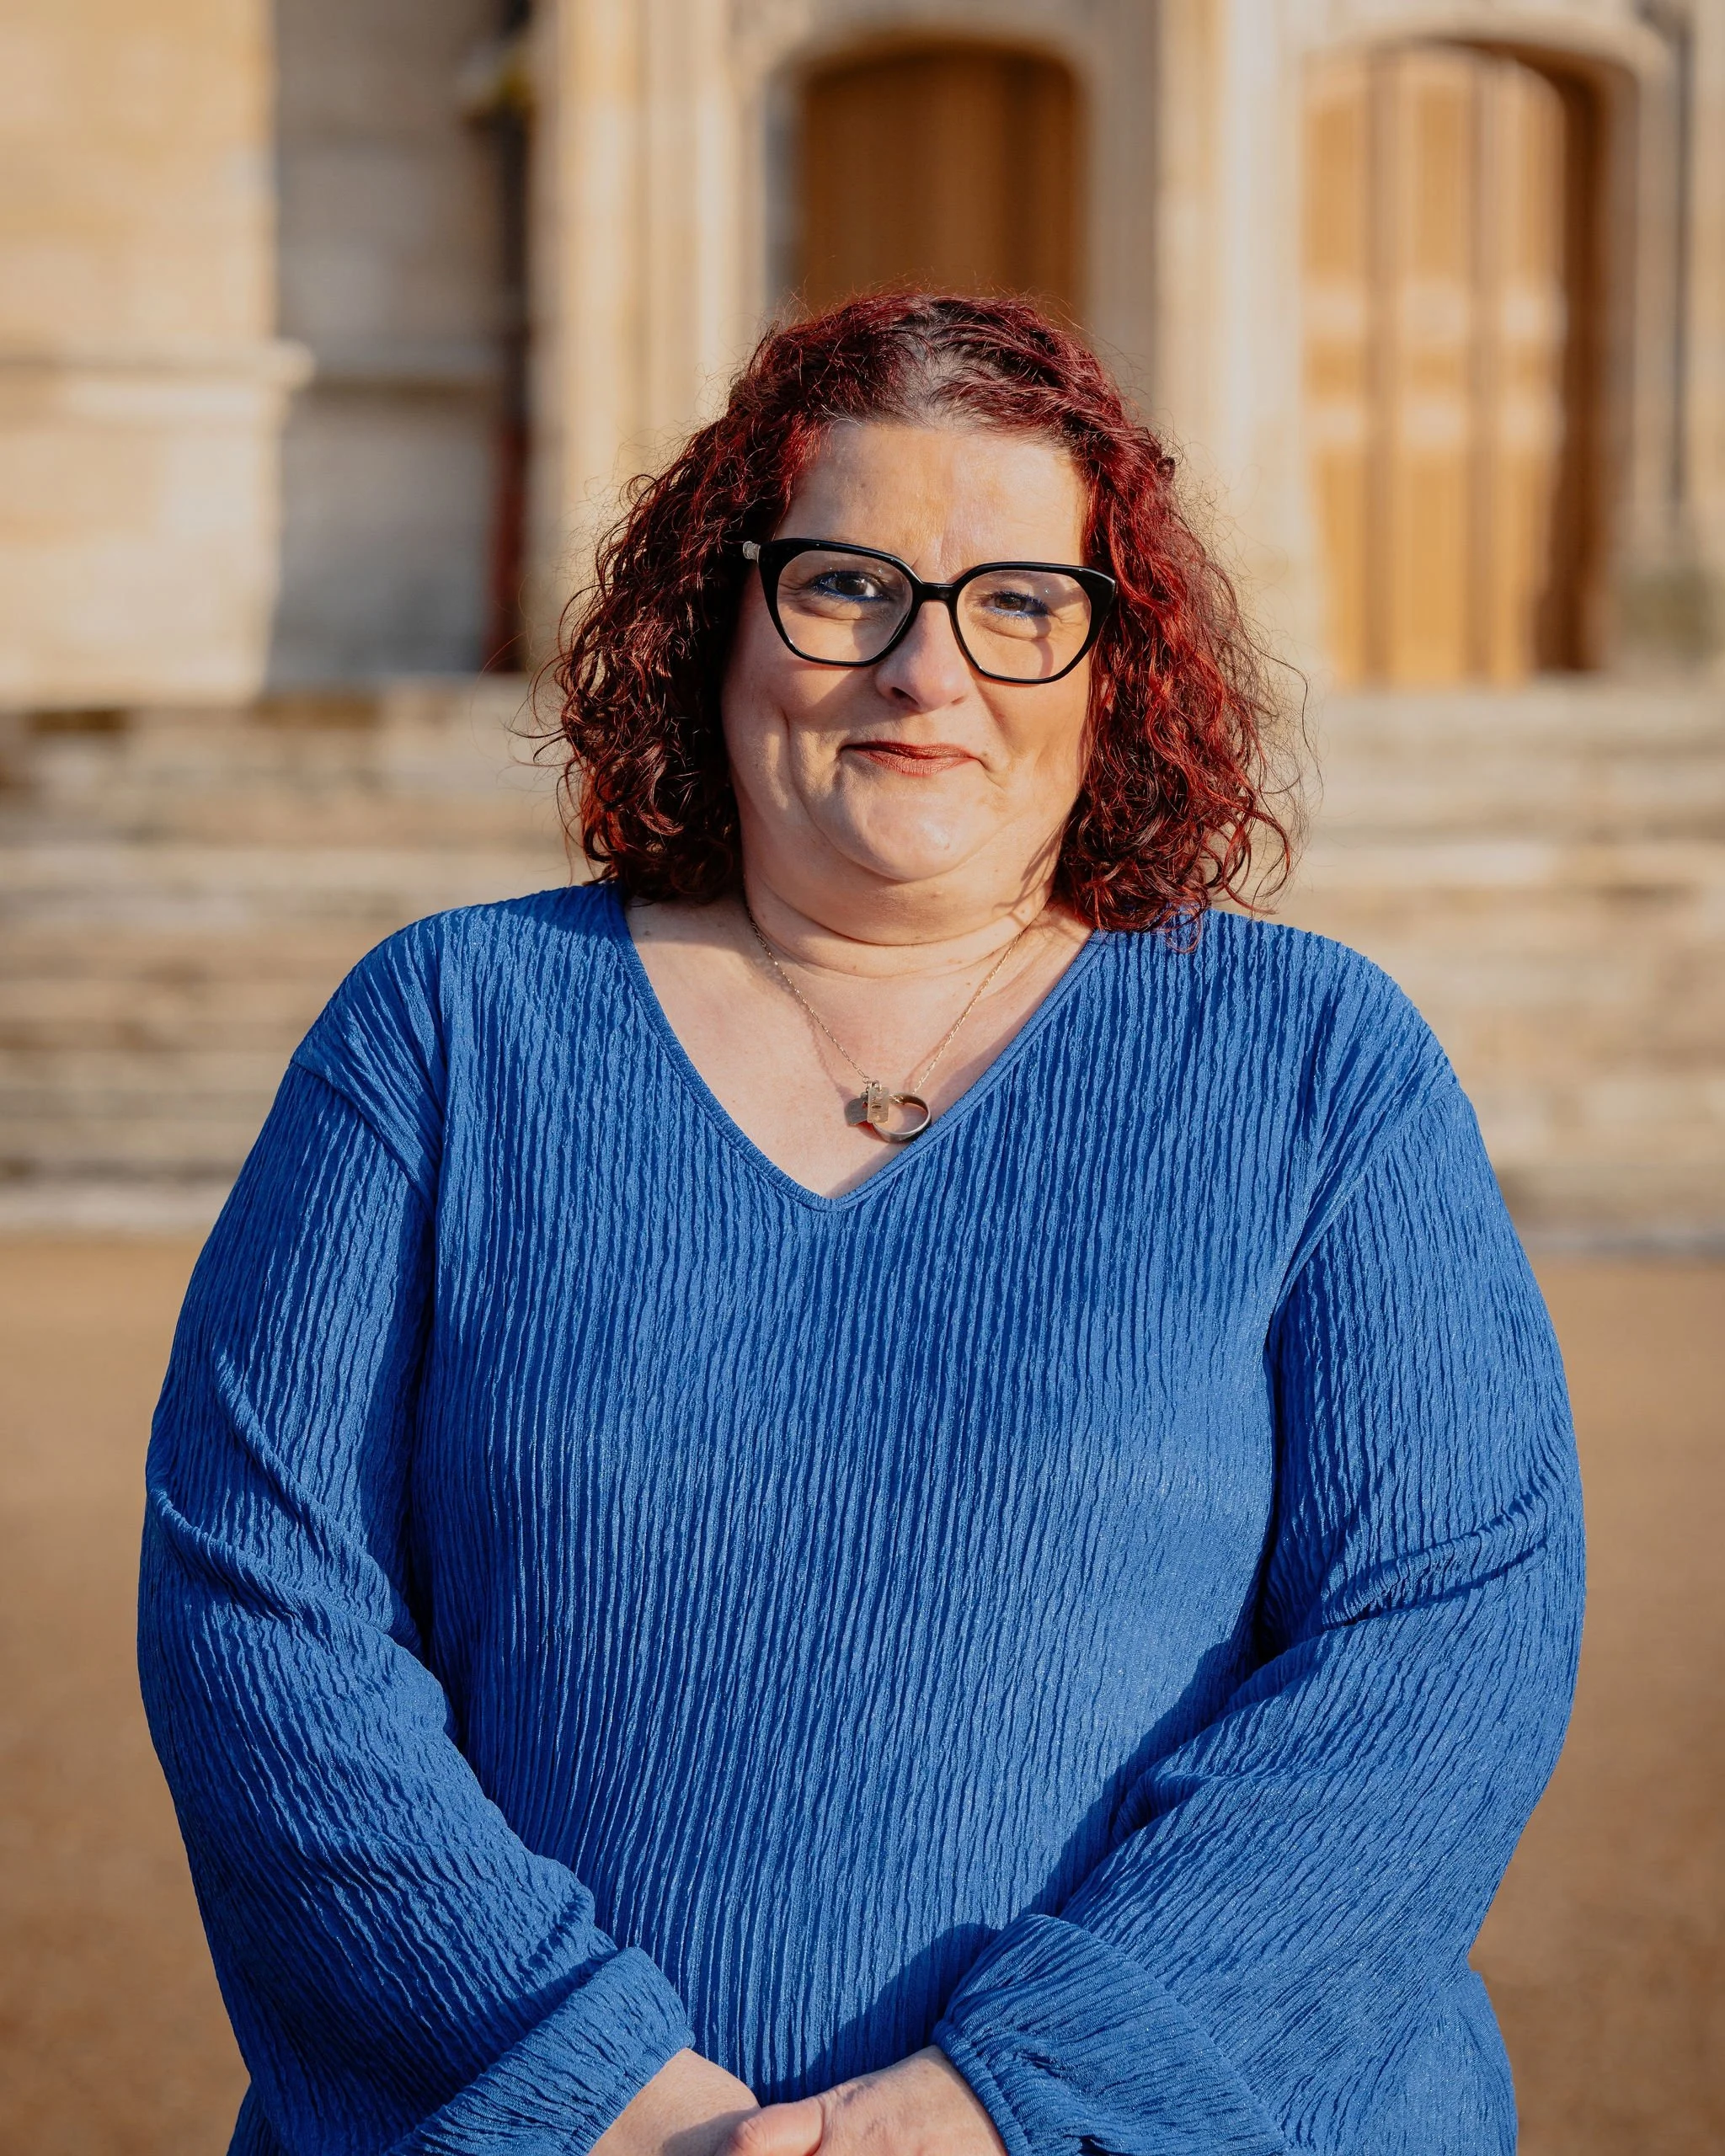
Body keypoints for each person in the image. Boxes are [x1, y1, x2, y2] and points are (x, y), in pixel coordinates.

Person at [139, 292, 1584, 2156]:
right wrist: (599, 2091)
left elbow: (1440, 1640)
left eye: (1019, 601)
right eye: (846, 587)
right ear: (717, 617)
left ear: (1109, 662)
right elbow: (259, 1598)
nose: (928, 669)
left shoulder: (1314, 1065)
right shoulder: (444, 1034)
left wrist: (1011, 2094)